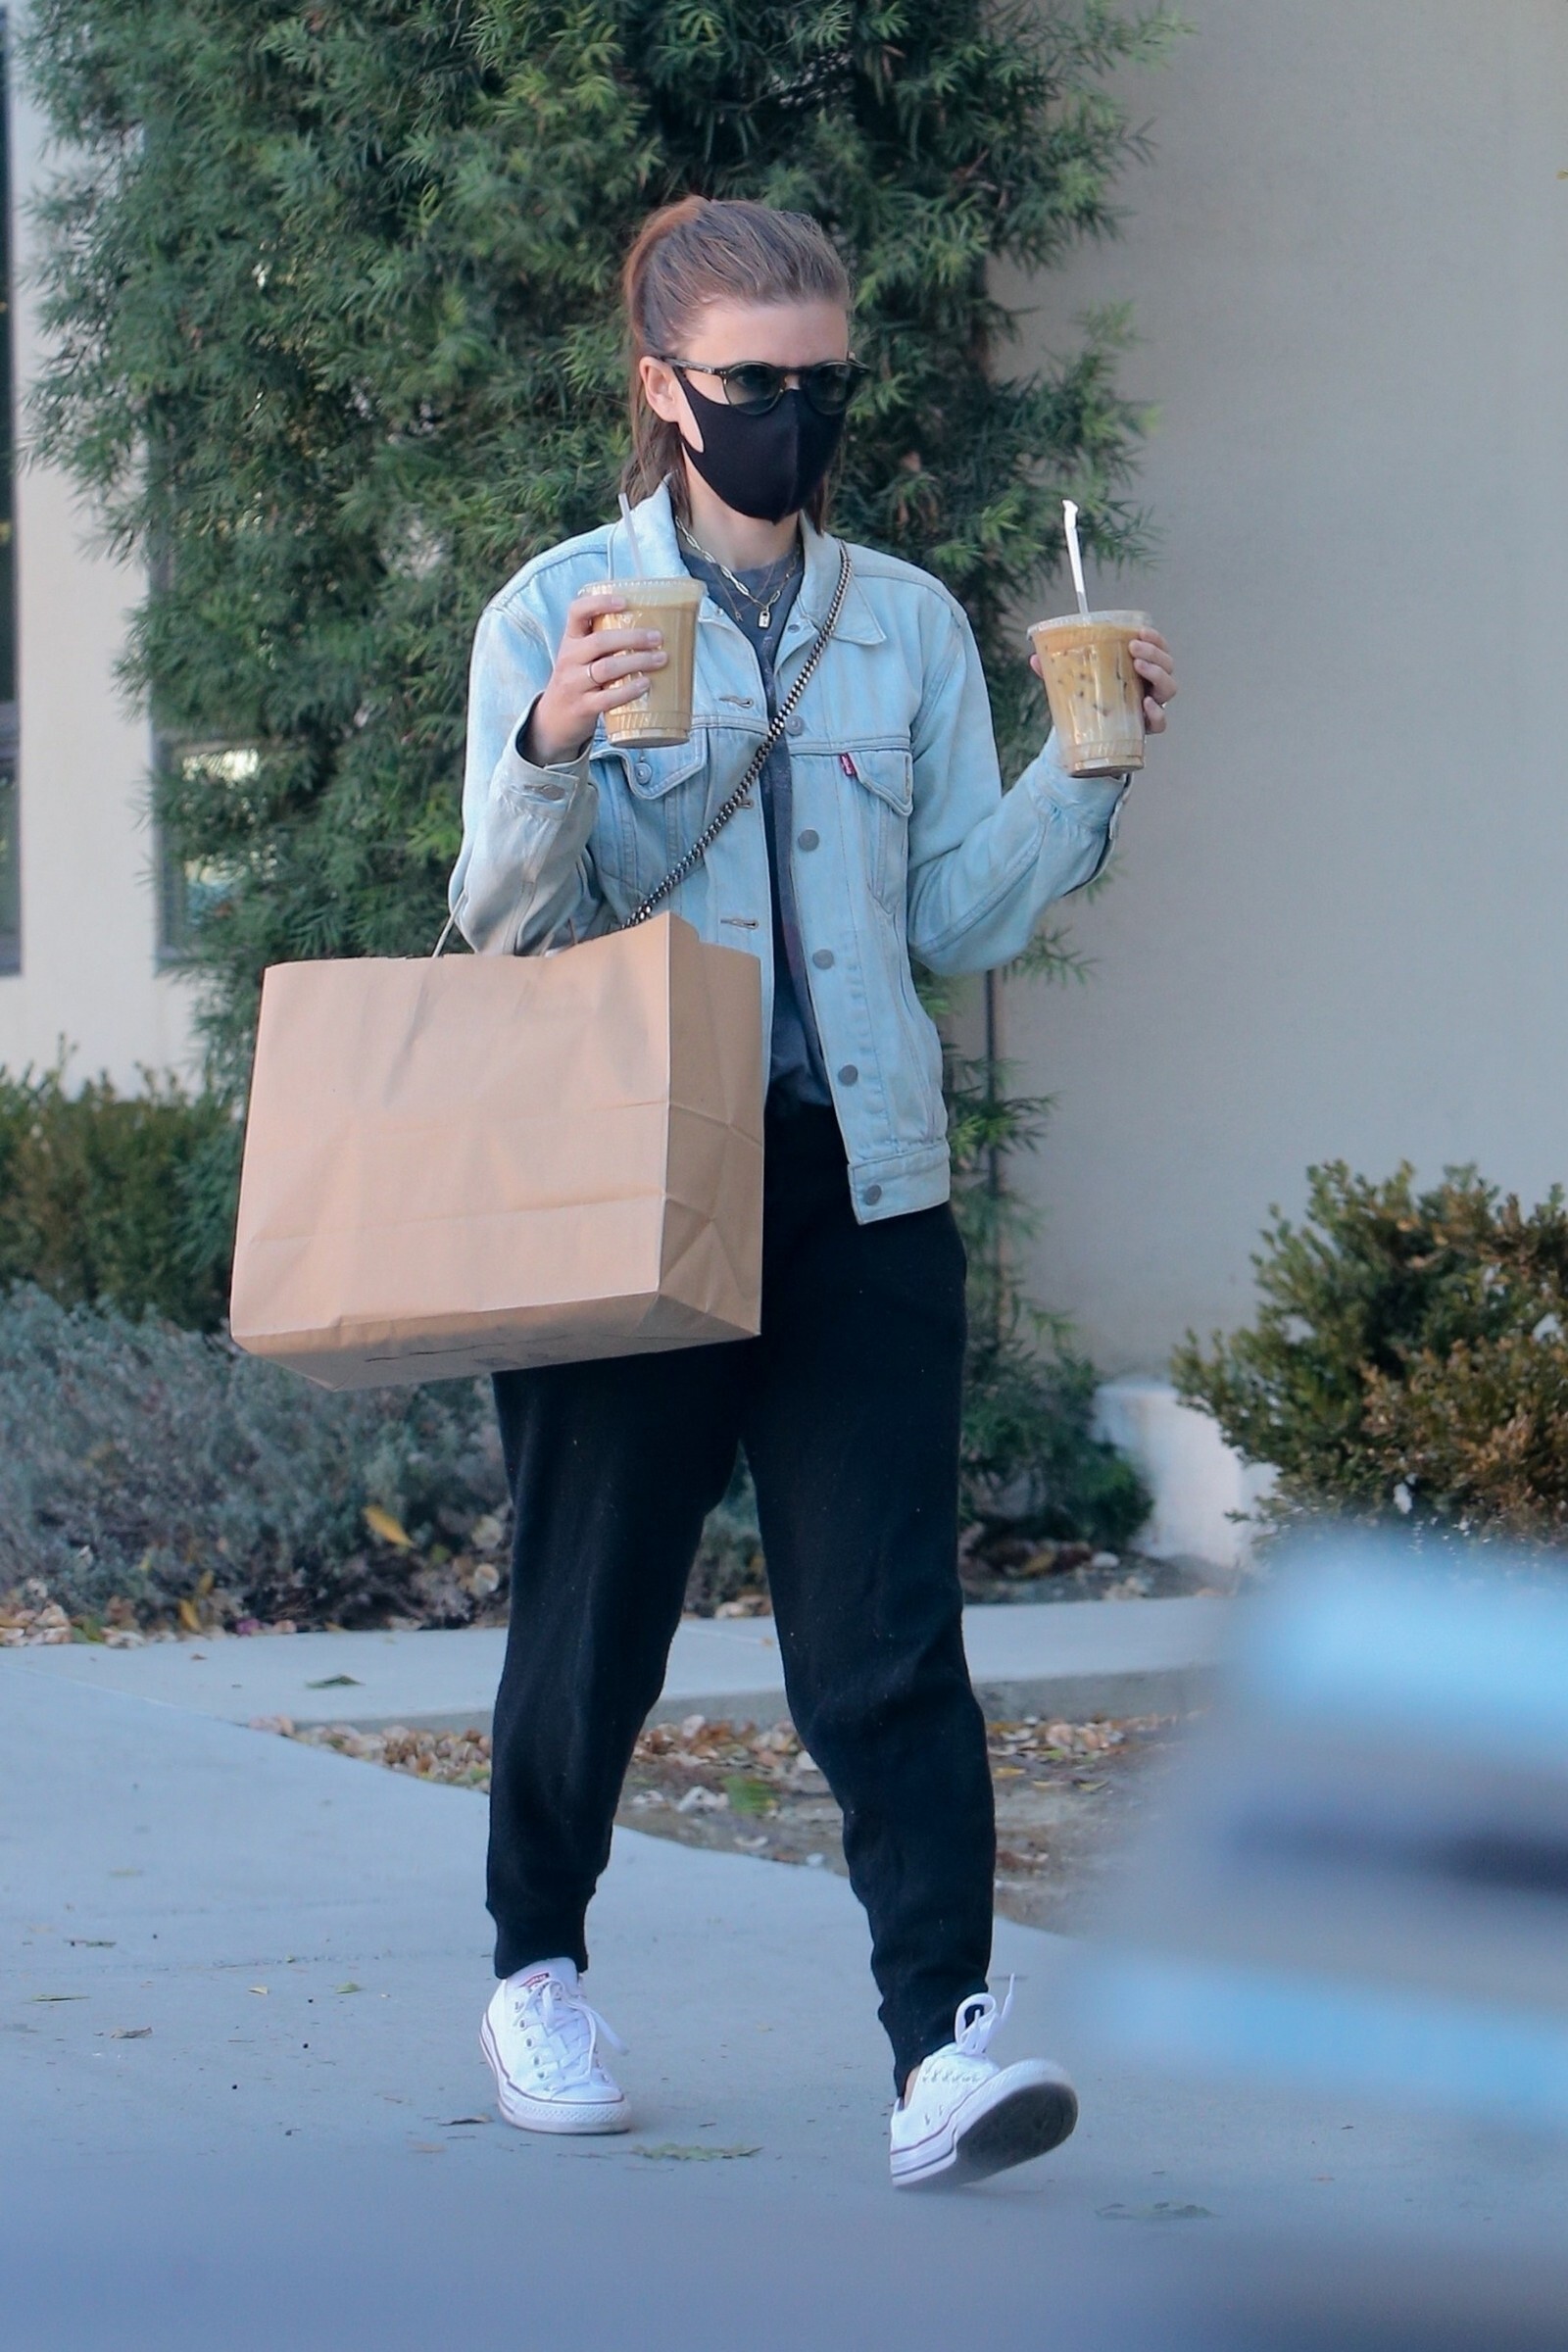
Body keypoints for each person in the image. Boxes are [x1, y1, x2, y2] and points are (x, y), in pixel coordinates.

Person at [449, 195, 1178, 2187]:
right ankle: (535, 1967)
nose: (794, 413)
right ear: (663, 388)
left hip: (859, 1185)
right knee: (589, 1618)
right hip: (627, 1188)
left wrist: (1085, 771)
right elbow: (505, 925)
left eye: (822, 379)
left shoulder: (907, 623)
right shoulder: (555, 611)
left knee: (884, 1635)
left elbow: (946, 917)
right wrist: (553, 742)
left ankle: (940, 2045)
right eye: (753, 380)